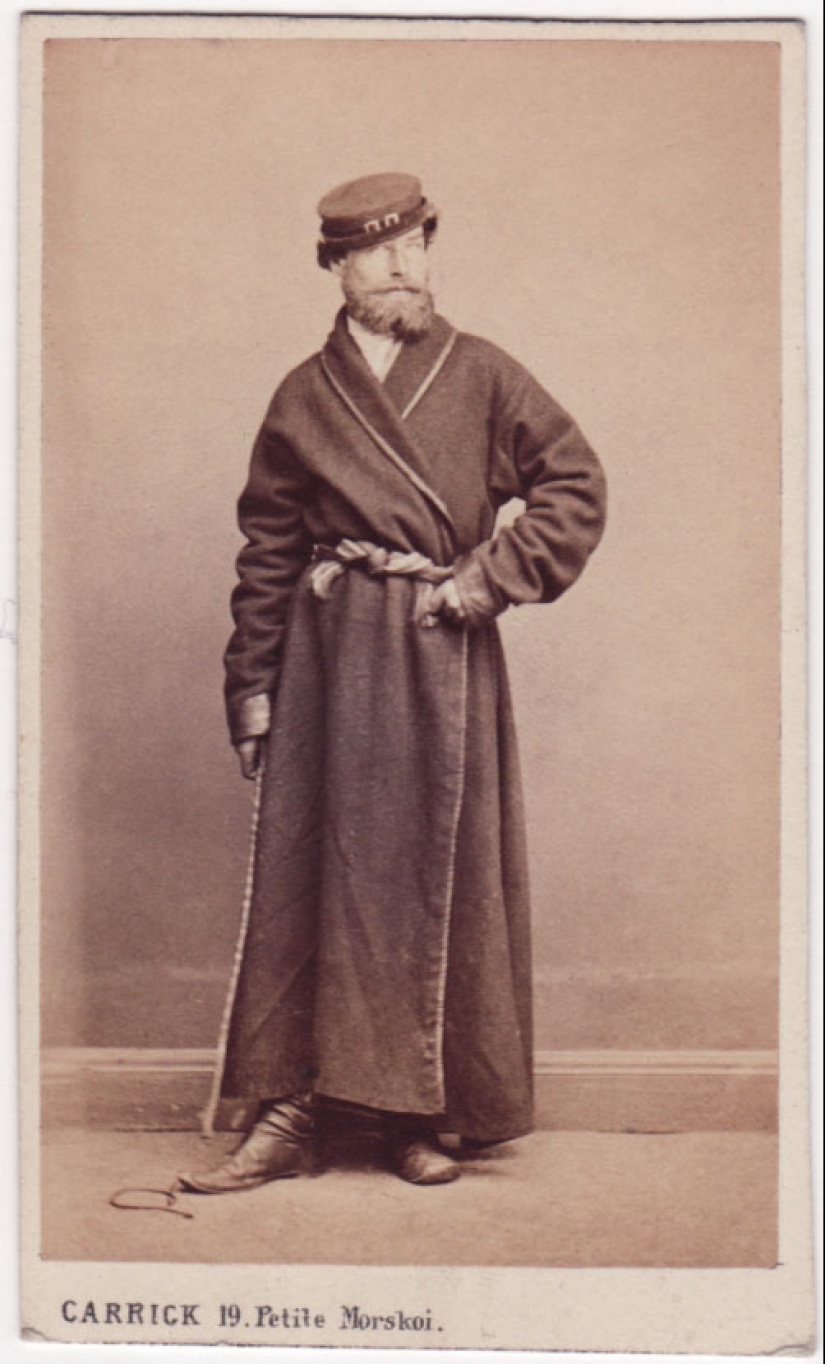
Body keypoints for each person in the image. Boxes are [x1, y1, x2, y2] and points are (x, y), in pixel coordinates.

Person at [179, 172, 606, 1194]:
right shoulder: (302, 395)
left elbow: (574, 486)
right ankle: (292, 1110)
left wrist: (484, 580)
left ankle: (416, 1112)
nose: (403, 266)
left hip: (437, 647)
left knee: (432, 878)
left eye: (416, 245)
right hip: (326, 662)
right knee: (312, 879)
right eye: (377, 251)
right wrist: (253, 688)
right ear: (336, 266)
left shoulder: (484, 373)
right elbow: (267, 552)